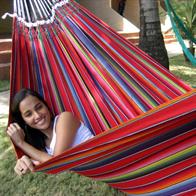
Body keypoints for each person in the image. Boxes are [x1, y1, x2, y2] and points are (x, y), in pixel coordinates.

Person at [7, 88, 94, 175]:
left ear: (46, 106)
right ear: (24, 121)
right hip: (92, 171)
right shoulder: (41, 144)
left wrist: (21, 143)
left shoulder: (65, 118)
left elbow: (57, 163)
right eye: (29, 114)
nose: (37, 115)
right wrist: (24, 161)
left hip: (101, 161)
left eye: (39, 107)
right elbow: (41, 160)